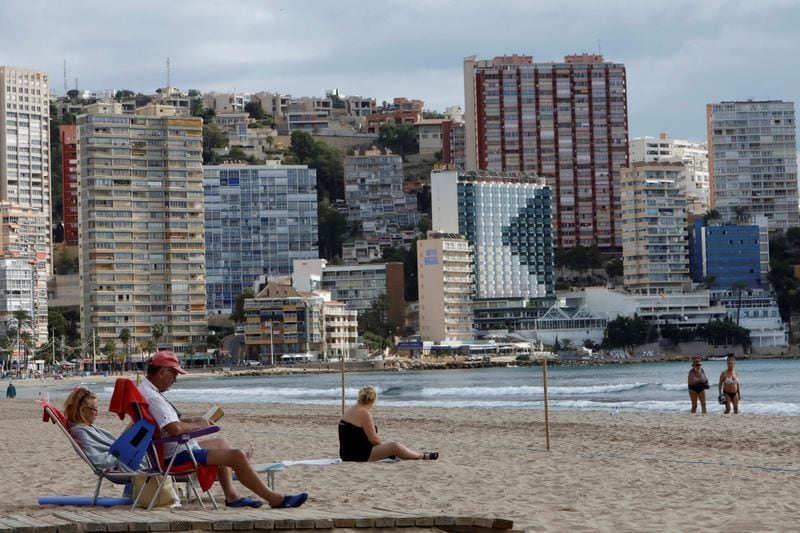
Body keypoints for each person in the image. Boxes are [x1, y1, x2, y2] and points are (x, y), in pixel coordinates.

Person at [138, 351, 307, 509]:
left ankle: (232, 495)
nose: (174, 379)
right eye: (173, 374)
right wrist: (199, 426)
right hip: (176, 456)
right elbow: (174, 429)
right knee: (237, 455)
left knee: (221, 443)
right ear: (162, 372)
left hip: (173, 449)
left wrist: (191, 420)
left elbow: (166, 423)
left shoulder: (146, 391)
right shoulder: (153, 397)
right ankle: (275, 499)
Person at [338, 385, 438, 462]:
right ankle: (423, 456)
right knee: (395, 446)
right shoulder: (364, 413)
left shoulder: (350, 410)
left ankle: (412, 455)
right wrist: (384, 448)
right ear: (373, 400)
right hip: (358, 455)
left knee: (392, 448)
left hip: (345, 454)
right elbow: (373, 439)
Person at [64, 387, 144, 472]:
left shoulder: (85, 428)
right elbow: (101, 462)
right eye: (95, 409)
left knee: (141, 424)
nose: (97, 413)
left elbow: (115, 445)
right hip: (125, 464)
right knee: (145, 429)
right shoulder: (80, 432)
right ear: (82, 410)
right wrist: (124, 448)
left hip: (124, 457)